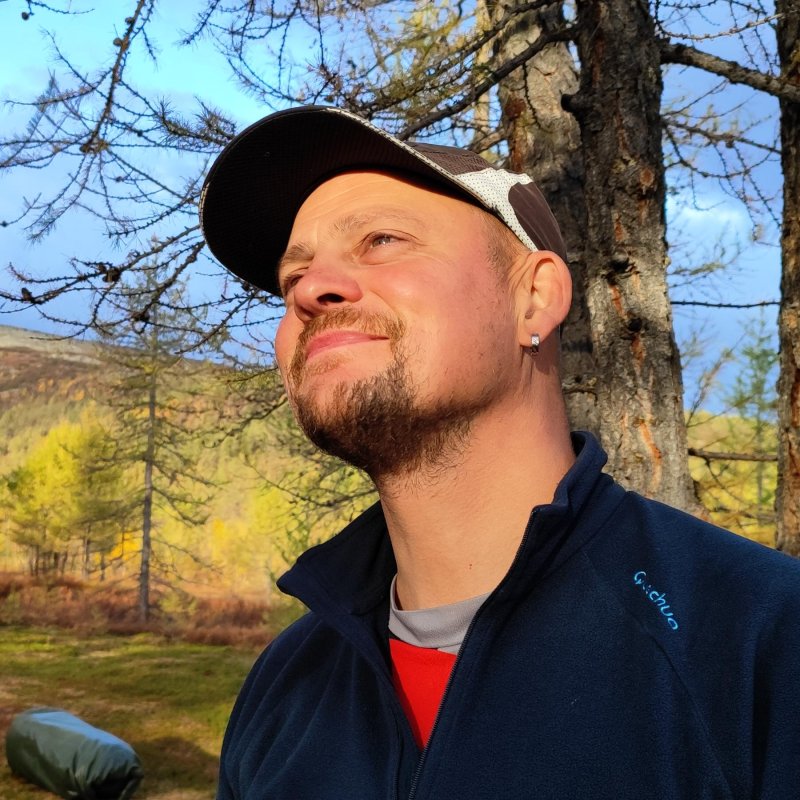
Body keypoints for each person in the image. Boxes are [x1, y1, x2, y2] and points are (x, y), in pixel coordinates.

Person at [200, 106, 800, 800]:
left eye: (382, 240)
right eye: (291, 278)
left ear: (535, 297)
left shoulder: (760, 642)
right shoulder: (284, 685)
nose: (310, 290)